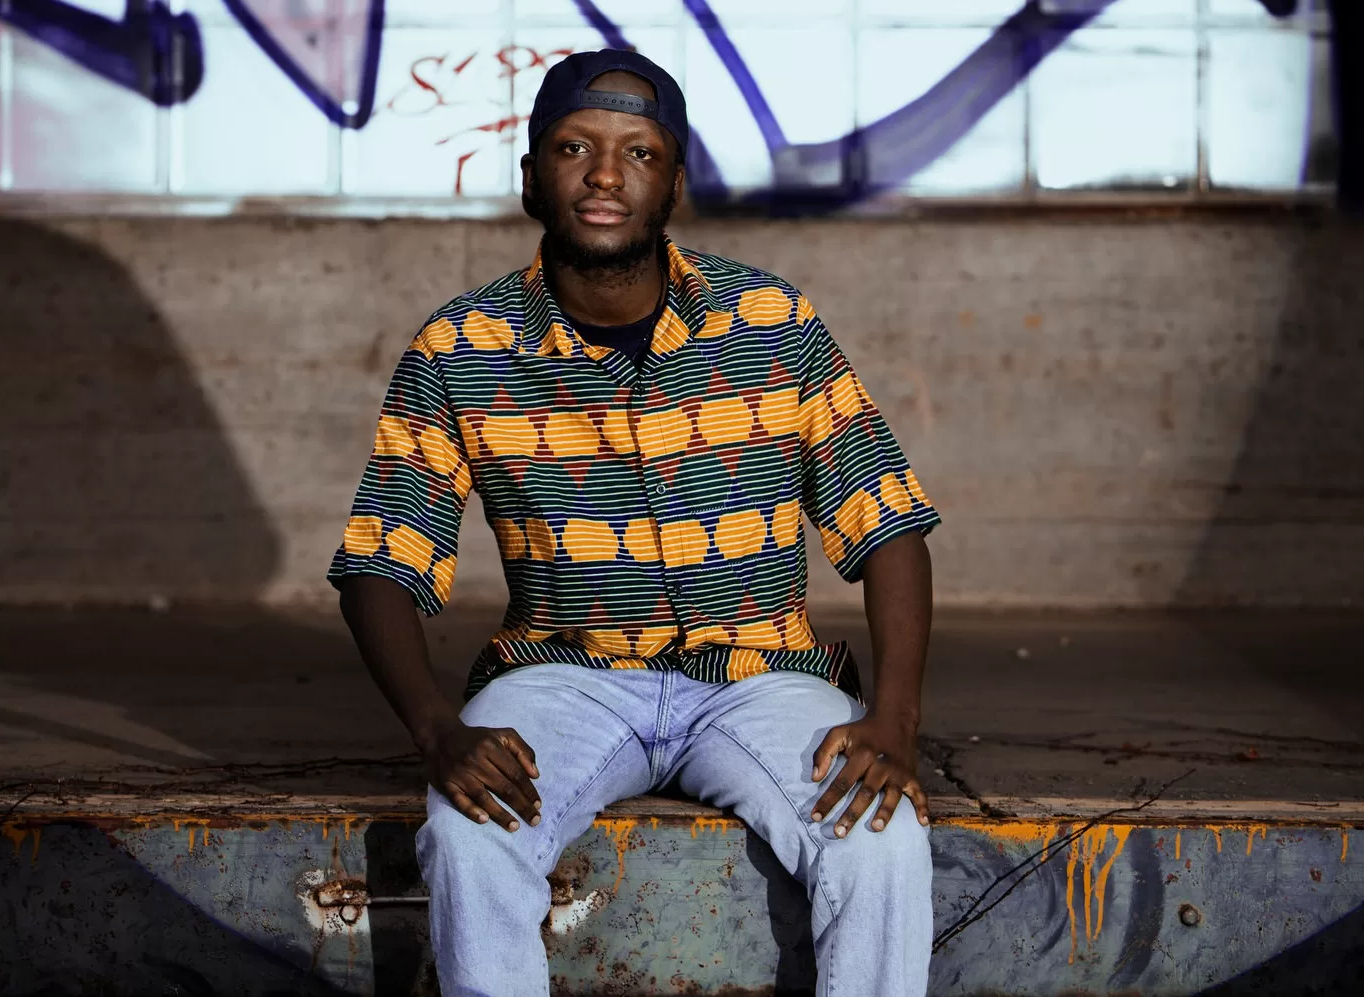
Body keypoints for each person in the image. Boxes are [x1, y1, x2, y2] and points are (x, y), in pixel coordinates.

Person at [330, 48, 940, 997]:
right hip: (565, 679)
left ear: (675, 184)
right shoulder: (461, 347)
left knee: (882, 833)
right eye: (575, 147)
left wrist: (894, 718)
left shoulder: (771, 321)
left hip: (762, 678)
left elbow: (887, 520)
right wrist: (436, 729)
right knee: (469, 830)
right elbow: (379, 562)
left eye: (639, 152)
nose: (605, 175)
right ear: (532, 176)